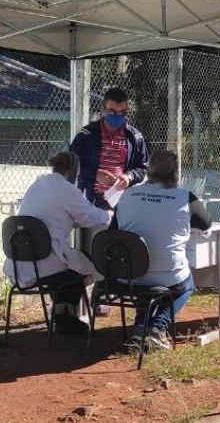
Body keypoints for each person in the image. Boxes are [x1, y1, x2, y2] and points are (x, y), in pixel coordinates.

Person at [111, 151, 212, 350]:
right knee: (186, 284)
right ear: (175, 172)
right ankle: (158, 326)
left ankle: (141, 328)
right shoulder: (185, 197)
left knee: (143, 278)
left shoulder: (128, 194)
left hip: (127, 274)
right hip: (168, 275)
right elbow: (206, 224)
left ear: (149, 171)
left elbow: (113, 232)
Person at [3, 151, 111, 335]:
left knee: (73, 263)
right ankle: (66, 317)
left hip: (18, 263)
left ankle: (62, 312)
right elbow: (90, 217)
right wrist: (108, 214)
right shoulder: (66, 189)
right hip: (45, 263)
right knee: (88, 266)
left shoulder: (37, 184)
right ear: (73, 170)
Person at [71, 87, 150, 315]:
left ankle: (109, 291)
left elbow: (142, 168)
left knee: (117, 248)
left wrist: (128, 177)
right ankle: (90, 296)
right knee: (93, 248)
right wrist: (94, 173)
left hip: (122, 201)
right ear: (102, 109)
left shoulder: (134, 137)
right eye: (112, 111)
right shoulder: (87, 135)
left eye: (122, 112)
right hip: (92, 198)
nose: (117, 117)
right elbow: (73, 162)